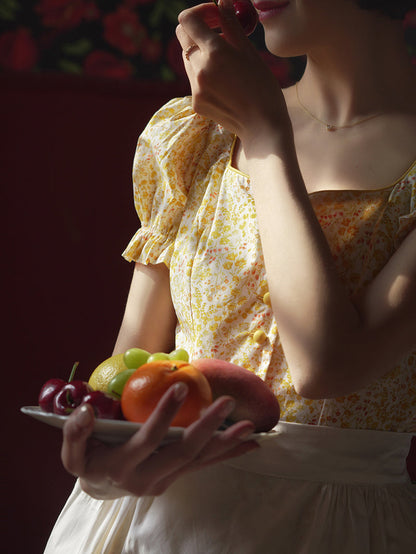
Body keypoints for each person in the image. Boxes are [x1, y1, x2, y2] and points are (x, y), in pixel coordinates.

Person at [44, 0, 416, 552]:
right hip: (149, 526)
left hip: (331, 527)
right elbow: (126, 381)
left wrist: (266, 140)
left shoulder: (249, 125)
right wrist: (103, 471)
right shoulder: (196, 136)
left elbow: (327, 365)